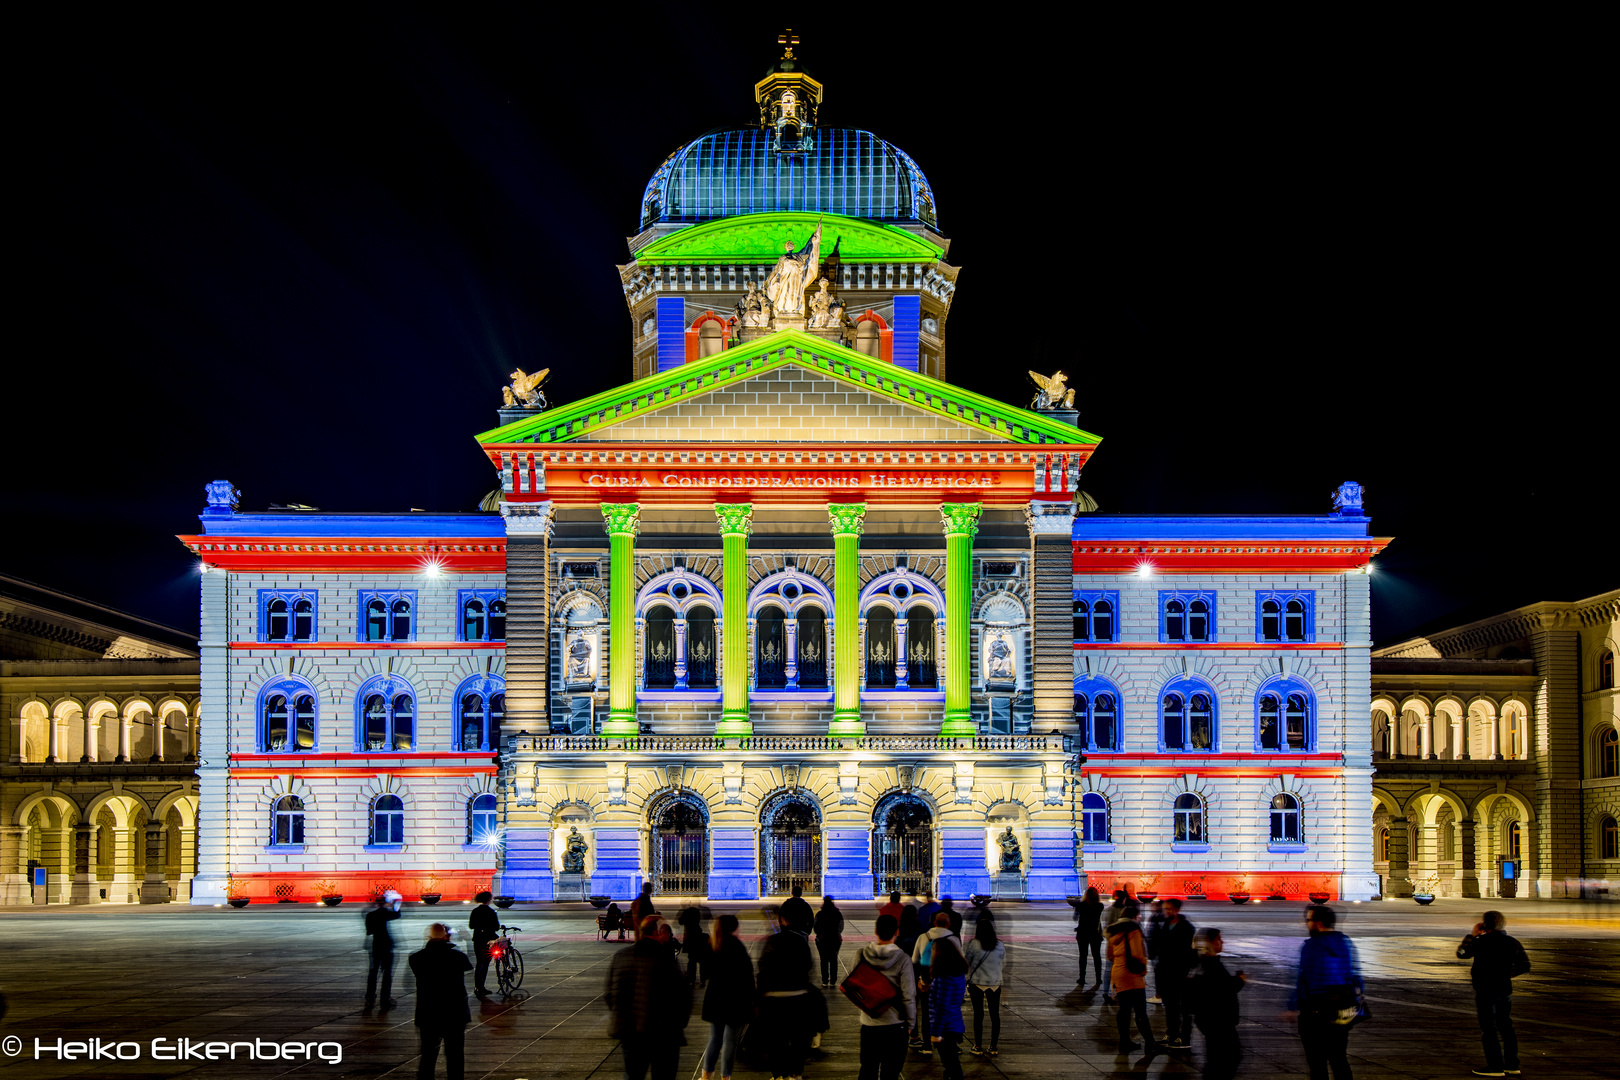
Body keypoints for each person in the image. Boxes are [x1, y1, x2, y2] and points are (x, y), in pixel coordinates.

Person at [605, 916, 691, 1080]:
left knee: (633, 1075)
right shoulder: (666, 958)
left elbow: (610, 994)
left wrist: (623, 1017)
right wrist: (679, 1023)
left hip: (630, 1032)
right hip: (663, 1034)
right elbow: (682, 997)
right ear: (656, 933)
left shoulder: (621, 956)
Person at [1285, 905, 1363, 1080]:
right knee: (1339, 1059)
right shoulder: (1345, 942)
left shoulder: (1312, 947)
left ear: (1318, 923)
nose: (1306, 924)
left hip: (1315, 1014)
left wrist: (1292, 1005)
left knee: (1317, 1064)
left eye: (1309, 920)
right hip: (1340, 1012)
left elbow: (1304, 979)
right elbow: (1356, 976)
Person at [1457, 910, 1530, 1077]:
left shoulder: (1481, 942)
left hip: (1485, 988)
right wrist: (1505, 974)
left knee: (1489, 1028)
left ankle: (1495, 1066)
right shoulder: (1512, 942)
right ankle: (1512, 1064)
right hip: (1504, 988)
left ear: (1484, 925)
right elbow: (1524, 966)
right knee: (1506, 1026)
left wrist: (1472, 935)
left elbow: (1462, 954)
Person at [409, 923, 474, 1080]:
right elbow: (469, 965)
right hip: (454, 1012)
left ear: (429, 937)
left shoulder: (416, 958)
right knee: (455, 1056)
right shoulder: (457, 957)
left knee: (427, 1057)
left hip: (428, 1012)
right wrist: (465, 941)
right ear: (446, 936)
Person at [856, 913, 916, 1080]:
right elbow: (909, 994)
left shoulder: (861, 955)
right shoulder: (903, 959)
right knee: (891, 1072)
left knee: (868, 1069)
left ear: (875, 931)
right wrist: (910, 1022)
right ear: (896, 932)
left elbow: (854, 987)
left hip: (869, 1023)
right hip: (896, 1025)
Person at [756, 912, 815, 1080]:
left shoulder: (771, 941)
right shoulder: (800, 941)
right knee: (798, 1040)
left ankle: (779, 1075)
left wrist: (760, 996)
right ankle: (796, 1074)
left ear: (782, 921)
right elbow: (808, 966)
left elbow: (762, 970)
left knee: (776, 1041)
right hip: (798, 997)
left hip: (775, 999)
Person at [700, 915, 754, 1080]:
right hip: (735, 999)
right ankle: (726, 1077)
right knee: (731, 1042)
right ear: (733, 928)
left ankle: (706, 1076)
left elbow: (705, 971)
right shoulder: (737, 946)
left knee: (714, 1038)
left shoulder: (713, 944)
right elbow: (747, 975)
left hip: (715, 998)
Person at [1187, 927, 1245, 1080]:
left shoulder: (1198, 964)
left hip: (1207, 1019)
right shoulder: (1212, 965)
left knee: (1216, 1059)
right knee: (1227, 1059)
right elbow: (1222, 989)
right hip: (1219, 1020)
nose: (1222, 941)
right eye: (1219, 939)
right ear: (1210, 943)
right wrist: (1239, 981)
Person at [921, 911, 968, 1080]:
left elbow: (942, 1006)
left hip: (946, 1027)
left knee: (951, 1064)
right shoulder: (958, 973)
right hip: (955, 1023)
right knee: (950, 1065)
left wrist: (935, 1033)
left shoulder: (943, 978)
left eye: (933, 950)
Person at [1108, 902, 1160, 1053]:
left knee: (1124, 1009)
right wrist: (1143, 970)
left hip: (1118, 973)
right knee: (1140, 1011)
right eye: (1138, 916)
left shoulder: (1113, 931)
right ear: (1134, 917)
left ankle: (1124, 1042)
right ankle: (1150, 1044)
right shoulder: (1133, 930)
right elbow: (1138, 954)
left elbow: (1110, 955)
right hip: (1132, 975)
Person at [1154, 898, 1197, 1048]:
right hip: (1165, 971)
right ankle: (1172, 1033)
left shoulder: (1186, 928)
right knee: (1170, 1006)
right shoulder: (1165, 925)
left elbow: (1192, 951)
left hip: (1180, 972)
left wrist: (1188, 970)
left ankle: (1184, 1037)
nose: (1166, 912)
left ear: (1177, 910)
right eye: (1165, 909)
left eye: (1169, 909)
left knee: (1184, 1007)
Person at [964, 914, 1005, 1056]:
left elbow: (967, 961)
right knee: (995, 1015)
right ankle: (993, 1046)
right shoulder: (999, 944)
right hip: (995, 983)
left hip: (977, 982)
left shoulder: (974, 944)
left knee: (978, 1015)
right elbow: (1002, 962)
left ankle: (977, 1045)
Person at [365, 891, 401, 1008]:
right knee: (387, 974)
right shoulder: (386, 913)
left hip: (376, 946)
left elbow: (369, 931)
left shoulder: (370, 916)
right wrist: (395, 903)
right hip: (386, 946)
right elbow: (397, 914)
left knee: (373, 973)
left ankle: (370, 997)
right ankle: (384, 1000)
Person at [1070, 886, 1105, 988]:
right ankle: (1098, 978)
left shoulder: (1081, 905)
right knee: (1097, 956)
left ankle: (1082, 978)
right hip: (1095, 933)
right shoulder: (1100, 906)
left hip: (1083, 933)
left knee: (1083, 956)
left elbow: (1075, 918)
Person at [468, 891, 499, 998]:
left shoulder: (475, 911)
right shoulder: (491, 912)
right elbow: (496, 927)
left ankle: (477, 986)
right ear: (489, 900)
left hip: (477, 939)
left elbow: (471, 926)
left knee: (479, 963)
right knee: (485, 963)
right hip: (488, 940)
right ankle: (482, 986)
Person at [1101, 890, 1128, 1005]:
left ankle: (1106, 992)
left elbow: (1105, 927)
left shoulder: (1109, 910)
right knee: (1122, 969)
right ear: (1124, 899)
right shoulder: (1125, 911)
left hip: (1111, 944)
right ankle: (1119, 991)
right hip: (1123, 945)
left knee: (1108, 970)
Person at [815, 895, 845, 986]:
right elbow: (841, 926)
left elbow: (815, 927)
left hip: (822, 939)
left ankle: (825, 980)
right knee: (833, 959)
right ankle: (833, 980)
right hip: (835, 939)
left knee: (823, 960)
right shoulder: (837, 913)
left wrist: (819, 934)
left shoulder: (820, 914)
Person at [678, 905, 708, 987]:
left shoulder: (686, 915)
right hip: (698, 938)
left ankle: (692, 980)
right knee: (702, 961)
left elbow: (680, 922)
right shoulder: (696, 913)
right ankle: (703, 981)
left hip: (690, 939)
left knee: (691, 961)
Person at [1144, 899, 1167, 1004]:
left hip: (1156, 952)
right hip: (1156, 951)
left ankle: (1159, 995)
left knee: (1159, 975)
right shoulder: (1159, 917)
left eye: (1154, 905)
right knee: (1160, 974)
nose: (1151, 907)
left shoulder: (1158, 917)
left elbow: (1154, 936)